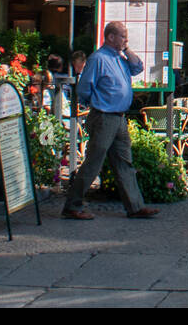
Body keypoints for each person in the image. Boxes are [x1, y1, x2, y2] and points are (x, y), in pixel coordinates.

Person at [62, 22, 159, 221]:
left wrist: (127, 49)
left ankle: (135, 206)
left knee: (124, 163)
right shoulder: (98, 59)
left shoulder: (120, 58)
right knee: (93, 163)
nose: (126, 39)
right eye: (123, 36)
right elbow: (83, 89)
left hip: (119, 117)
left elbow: (137, 67)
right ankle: (72, 205)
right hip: (105, 116)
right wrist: (97, 105)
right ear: (111, 37)